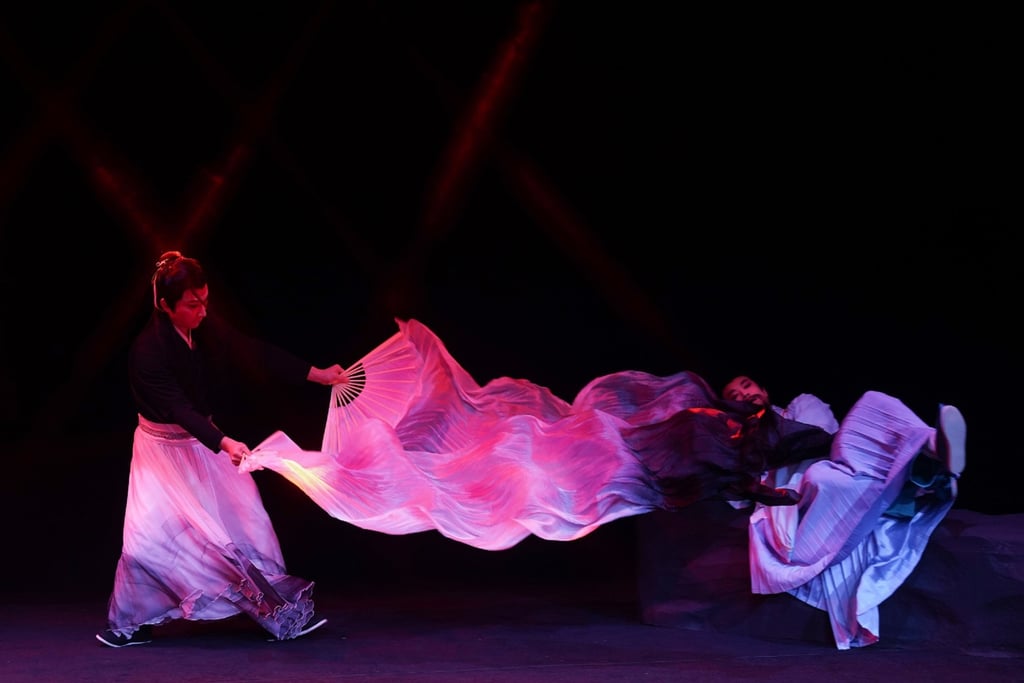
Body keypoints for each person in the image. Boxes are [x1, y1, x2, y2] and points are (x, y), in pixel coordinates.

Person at [96, 250, 347, 648]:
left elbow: (251, 350)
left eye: (205, 301)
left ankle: (275, 611)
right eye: (193, 304)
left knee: (244, 524)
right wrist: (223, 441)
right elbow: (177, 408)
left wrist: (315, 374)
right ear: (165, 306)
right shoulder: (147, 352)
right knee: (147, 538)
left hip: (203, 442)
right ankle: (131, 622)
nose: (202, 311)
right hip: (162, 452)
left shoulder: (201, 328)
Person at [720, 375, 965, 649]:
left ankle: (933, 446)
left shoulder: (801, 404)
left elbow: (819, 433)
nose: (744, 395)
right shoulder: (737, 437)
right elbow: (735, 492)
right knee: (822, 478)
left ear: (763, 389)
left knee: (874, 400)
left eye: (746, 386)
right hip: (801, 490)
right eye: (734, 396)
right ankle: (928, 472)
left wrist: (770, 430)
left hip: (843, 459)